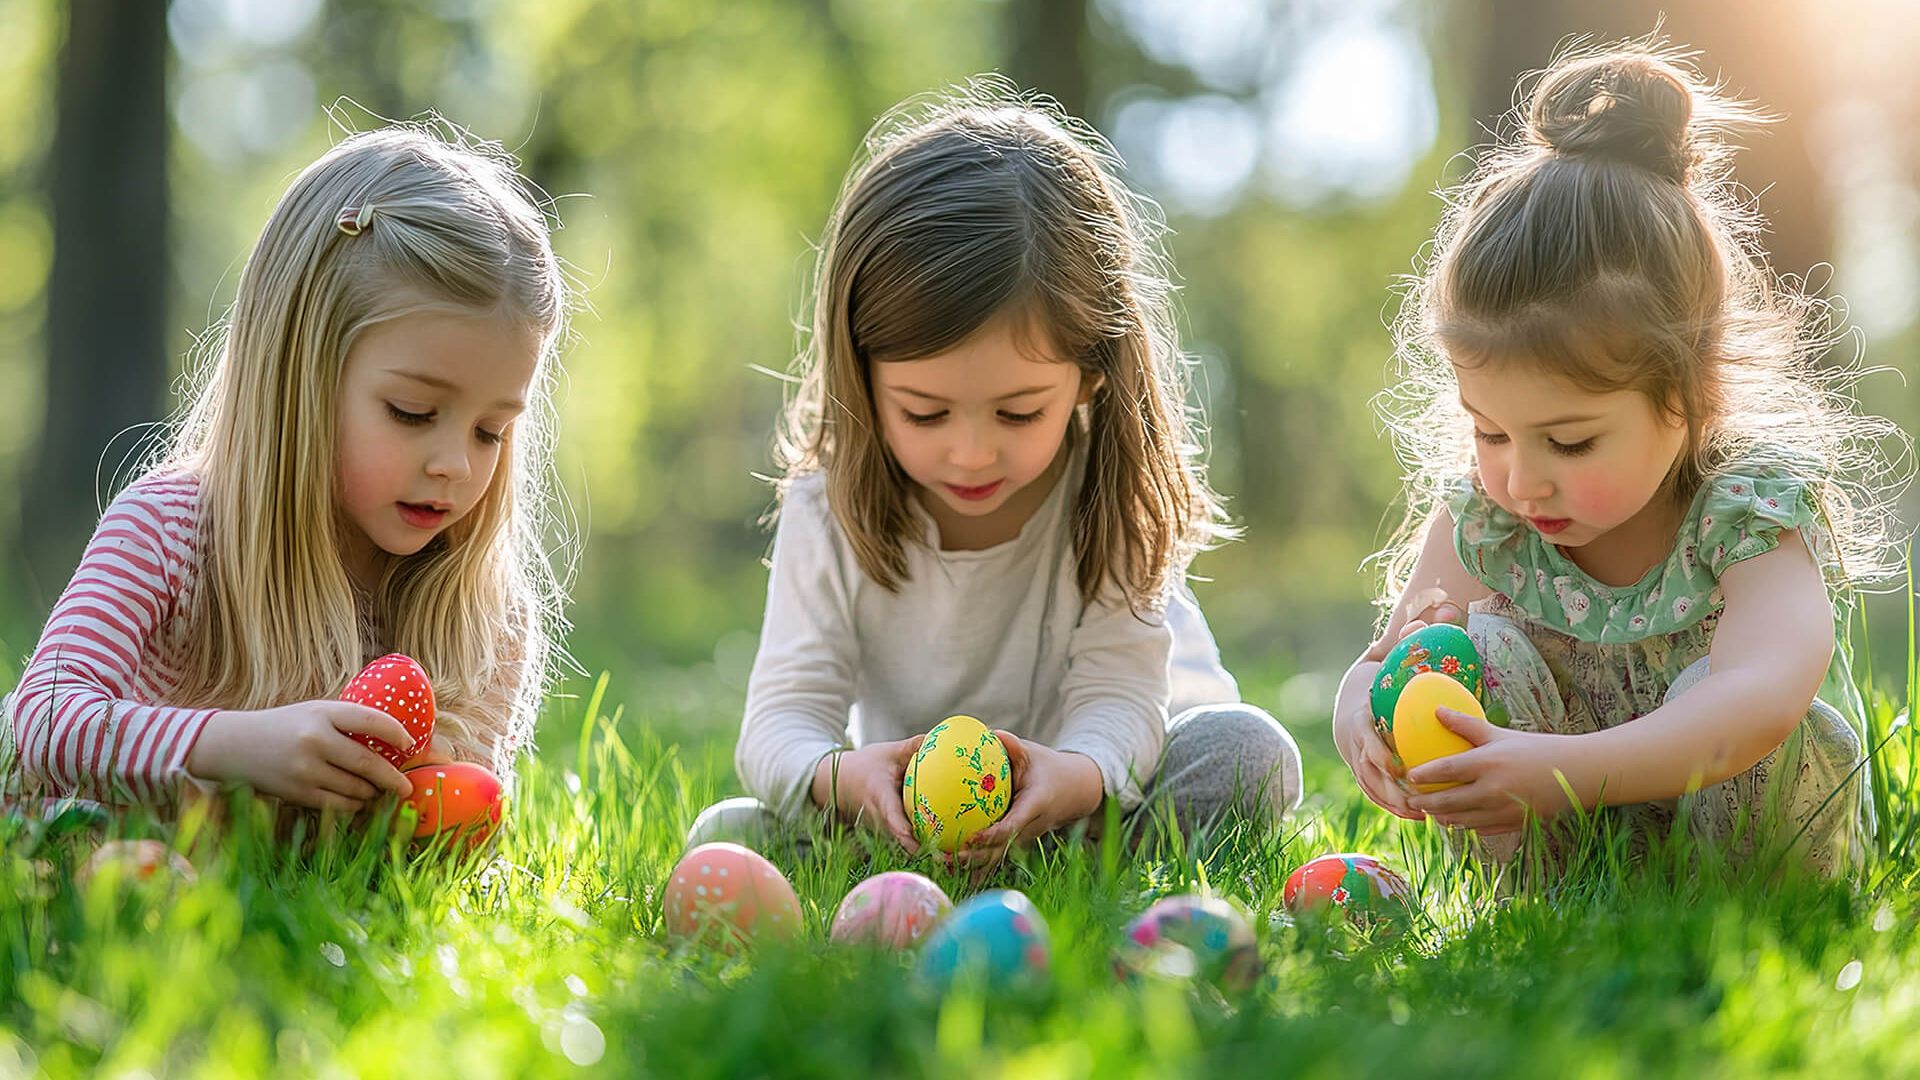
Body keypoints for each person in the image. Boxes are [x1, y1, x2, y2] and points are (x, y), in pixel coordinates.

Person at [1333, 41, 1908, 875]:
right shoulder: (1489, 520)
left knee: (1724, 694)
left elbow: (1761, 699)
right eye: (1489, 432)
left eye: (1569, 441)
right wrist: (1361, 710)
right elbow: (1386, 660)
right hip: (1562, 836)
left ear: (1689, 395)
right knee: (1473, 649)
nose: (1521, 479)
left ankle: (1741, 908)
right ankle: (1544, 893)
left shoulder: (1746, 513)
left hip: (1756, 847)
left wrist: (1563, 773)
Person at [697, 81, 1302, 864]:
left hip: (1100, 802)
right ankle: (953, 871)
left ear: (1090, 377)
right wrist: (843, 779)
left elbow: (1121, 699)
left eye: (1018, 415)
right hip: (911, 819)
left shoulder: (1109, 498)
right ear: (862, 374)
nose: (973, 453)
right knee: (729, 835)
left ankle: (1068, 861)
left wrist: (1077, 777)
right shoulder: (830, 506)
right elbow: (782, 719)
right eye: (925, 413)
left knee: (1248, 751)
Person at [3, 119, 571, 816]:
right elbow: (44, 717)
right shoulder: (169, 530)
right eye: (412, 412)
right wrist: (236, 746)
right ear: (297, 377)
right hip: (100, 864)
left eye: (492, 431)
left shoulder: (483, 612)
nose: (456, 463)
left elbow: (445, 833)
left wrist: (417, 805)